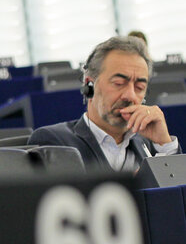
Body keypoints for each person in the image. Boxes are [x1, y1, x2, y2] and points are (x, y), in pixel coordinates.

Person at [28, 36, 180, 173]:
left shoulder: (149, 144)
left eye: (139, 87)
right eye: (119, 83)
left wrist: (164, 143)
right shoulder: (55, 141)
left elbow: (178, 198)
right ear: (89, 85)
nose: (130, 95)